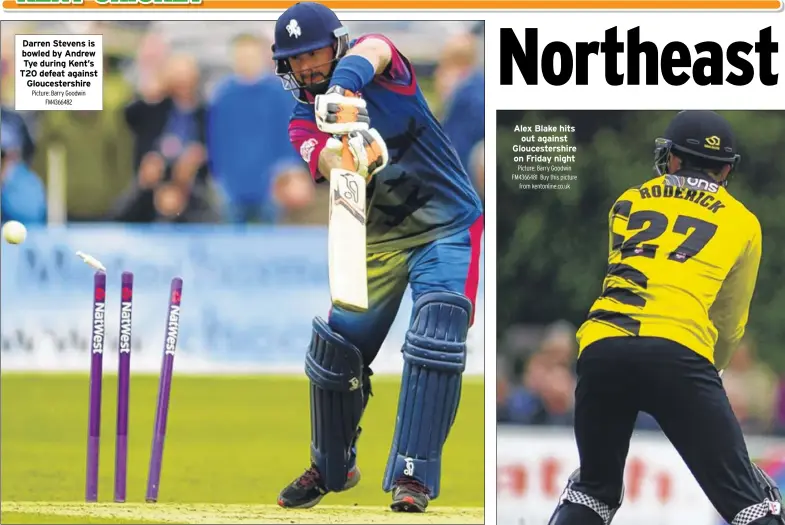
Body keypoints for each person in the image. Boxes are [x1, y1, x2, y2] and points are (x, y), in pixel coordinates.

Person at [271, 2, 484, 513]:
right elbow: (320, 158)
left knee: (436, 333)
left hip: (448, 228)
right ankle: (330, 466)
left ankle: (413, 474)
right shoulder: (303, 121)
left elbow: (378, 49)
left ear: (338, 45)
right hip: (377, 244)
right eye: (296, 60)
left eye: (315, 53)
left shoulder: (383, 69)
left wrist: (344, 88)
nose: (307, 68)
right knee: (335, 353)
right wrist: (344, 152)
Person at [548, 111, 783, 525]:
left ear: (672, 159)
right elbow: (729, 321)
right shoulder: (743, 221)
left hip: (603, 346)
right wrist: (713, 372)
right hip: (679, 351)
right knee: (750, 503)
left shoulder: (630, 199)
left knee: (593, 492)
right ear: (727, 168)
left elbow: (622, 277)